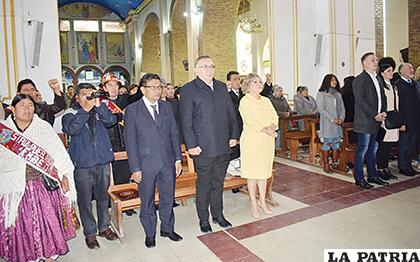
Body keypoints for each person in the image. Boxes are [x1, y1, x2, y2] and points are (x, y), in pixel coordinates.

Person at [0, 94, 76, 262]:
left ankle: (48, 254)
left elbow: (59, 154)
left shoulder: (43, 127)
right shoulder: (4, 131)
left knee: (47, 220)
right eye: (22, 105)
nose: (27, 109)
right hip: (16, 188)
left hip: (44, 184)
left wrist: (64, 176)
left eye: (30, 105)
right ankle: (28, 256)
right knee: (22, 224)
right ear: (12, 109)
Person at [180, 55, 239, 233]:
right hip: (202, 147)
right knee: (204, 185)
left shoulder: (221, 87)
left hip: (223, 145)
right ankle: (203, 220)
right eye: (204, 67)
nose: (209, 70)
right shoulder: (189, 89)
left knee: (218, 183)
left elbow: (232, 115)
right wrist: (191, 145)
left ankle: (218, 215)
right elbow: (186, 120)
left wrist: (233, 136)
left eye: (211, 66)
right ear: (196, 70)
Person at [124, 73, 183, 248]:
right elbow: (130, 141)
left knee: (167, 197)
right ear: (143, 89)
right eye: (153, 87)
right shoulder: (133, 110)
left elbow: (174, 133)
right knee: (147, 199)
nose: (158, 90)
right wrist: (135, 168)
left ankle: (167, 228)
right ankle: (150, 233)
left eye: (160, 87)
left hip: (167, 161)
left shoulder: (166, 107)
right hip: (145, 164)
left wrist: (178, 158)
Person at [62, 83, 118, 249]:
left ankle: (104, 227)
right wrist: (85, 110)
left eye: (91, 94)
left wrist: (99, 106)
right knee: (85, 200)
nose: (89, 97)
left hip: (102, 161)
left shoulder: (99, 109)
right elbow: (72, 129)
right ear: (77, 97)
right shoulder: (70, 113)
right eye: (85, 94)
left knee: (103, 197)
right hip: (83, 164)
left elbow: (111, 121)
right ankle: (90, 233)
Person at [239, 73, 278, 219]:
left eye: (260, 82)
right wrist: (266, 129)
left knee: (264, 172)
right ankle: (253, 203)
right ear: (248, 85)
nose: (259, 84)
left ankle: (262, 201)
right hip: (252, 140)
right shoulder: (245, 101)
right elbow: (250, 120)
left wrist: (273, 127)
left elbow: (275, 116)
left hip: (267, 141)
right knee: (253, 173)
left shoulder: (266, 100)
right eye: (255, 82)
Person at [352, 52, 389, 189]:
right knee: (363, 149)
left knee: (373, 149)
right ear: (364, 63)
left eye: (376, 60)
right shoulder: (359, 79)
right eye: (372, 60)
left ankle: (373, 176)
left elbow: (382, 98)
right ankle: (359, 178)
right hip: (365, 121)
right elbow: (361, 101)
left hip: (376, 120)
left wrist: (383, 112)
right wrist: (374, 114)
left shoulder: (378, 79)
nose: (376, 62)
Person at [316, 74, 345, 173]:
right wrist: (332, 119)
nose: (335, 82)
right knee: (327, 143)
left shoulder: (338, 94)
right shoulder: (321, 94)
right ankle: (326, 164)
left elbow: (342, 107)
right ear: (327, 81)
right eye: (332, 80)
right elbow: (321, 109)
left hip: (338, 123)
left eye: (335, 80)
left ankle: (334, 163)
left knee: (336, 142)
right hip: (328, 122)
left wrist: (341, 118)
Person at [376, 63, 401, 180]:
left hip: (393, 117)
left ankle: (386, 168)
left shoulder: (393, 86)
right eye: (388, 71)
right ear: (382, 73)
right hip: (385, 118)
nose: (391, 73)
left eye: (391, 71)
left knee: (389, 145)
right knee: (383, 145)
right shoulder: (381, 86)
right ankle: (380, 169)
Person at [395, 63, 420, 176]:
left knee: (412, 145)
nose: (412, 69)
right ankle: (403, 167)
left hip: (415, 119)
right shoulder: (398, 84)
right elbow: (398, 105)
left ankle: (409, 165)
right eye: (409, 68)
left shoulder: (414, 83)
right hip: (405, 120)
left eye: (412, 67)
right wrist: (401, 122)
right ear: (401, 71)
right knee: (404, 144)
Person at [227, 70, 244, 177]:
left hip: (245, 127)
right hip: (234, 128)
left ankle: (244, 175)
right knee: (235, 154)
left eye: (239, 79)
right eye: (235, 79)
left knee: (244, 153)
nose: (238, 82)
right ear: (229, 82)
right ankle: (235, 178)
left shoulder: (244, 94)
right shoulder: (226, 95)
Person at [268, 84, 292, 150]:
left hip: (285, 120)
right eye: (279, 91)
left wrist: (289, 112)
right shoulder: (270, 99)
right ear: (275, 91)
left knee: (284, 134)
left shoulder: (283, 98)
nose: (281, 93)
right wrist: (283, 114)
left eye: (281, 91)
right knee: (278, 134)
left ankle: (284, 147)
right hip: (276, 120)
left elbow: (288, 107)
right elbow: (272, 111)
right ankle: (277, 148)